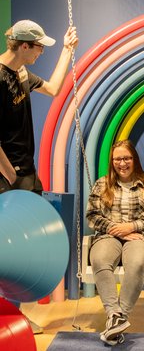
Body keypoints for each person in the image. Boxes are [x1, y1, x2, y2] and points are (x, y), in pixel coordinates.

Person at [0, 19, 78, 334]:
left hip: (25, 174)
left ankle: (12, 317)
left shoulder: (21, 72)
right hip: (8, 176)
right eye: (38, 47)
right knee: (6, 251)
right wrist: (11, 175)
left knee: (20, 250)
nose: (41, 51)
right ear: (23, 46)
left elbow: (54, 88)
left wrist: (67, 49)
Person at [86, 140, 144, 346]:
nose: (122, 163)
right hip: (108, 236)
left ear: (135, 160)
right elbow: (92, 215)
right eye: (117, 159)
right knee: (100, 259)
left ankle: (118, 318)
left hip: (141, 237)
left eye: (127, 158)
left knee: (137, 263)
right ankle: (115, 316)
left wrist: (132, 227)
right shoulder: (102, 184)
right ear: (112, 162)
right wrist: (116, 229)